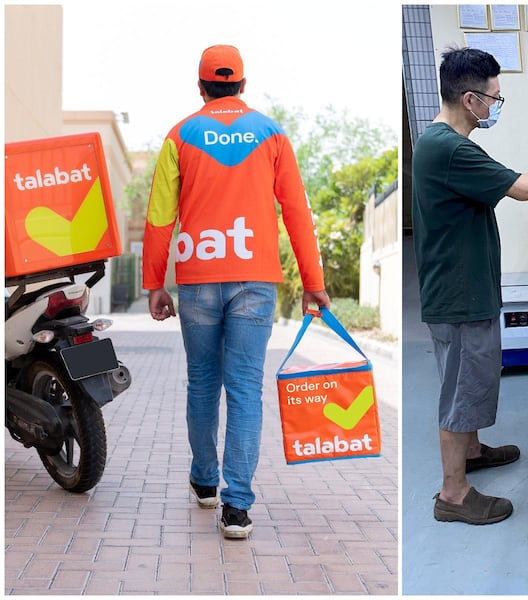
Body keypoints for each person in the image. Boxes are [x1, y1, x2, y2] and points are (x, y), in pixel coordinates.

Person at [142, 44, 330, 539]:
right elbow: (297, 213)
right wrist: (314, 283)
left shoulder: (180, 135)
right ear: (243, 86)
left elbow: (160, 216)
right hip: (255, 278)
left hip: (198, 277)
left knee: (203, 383)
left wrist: (153, 282)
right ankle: (237, 508)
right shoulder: (271, 135)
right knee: (245, 389)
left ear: (201, 87)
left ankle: (205, 483)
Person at [412, 46, 528, 525]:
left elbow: (517, 185)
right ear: (471, 99)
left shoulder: (444, 144)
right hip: (458, 293)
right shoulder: (449, 148)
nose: (495, 106)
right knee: (460, 389)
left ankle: (471, 451)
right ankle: (453, 494)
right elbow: (523, 188)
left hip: (463, 286)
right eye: (494, 97)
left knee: (472, 379)